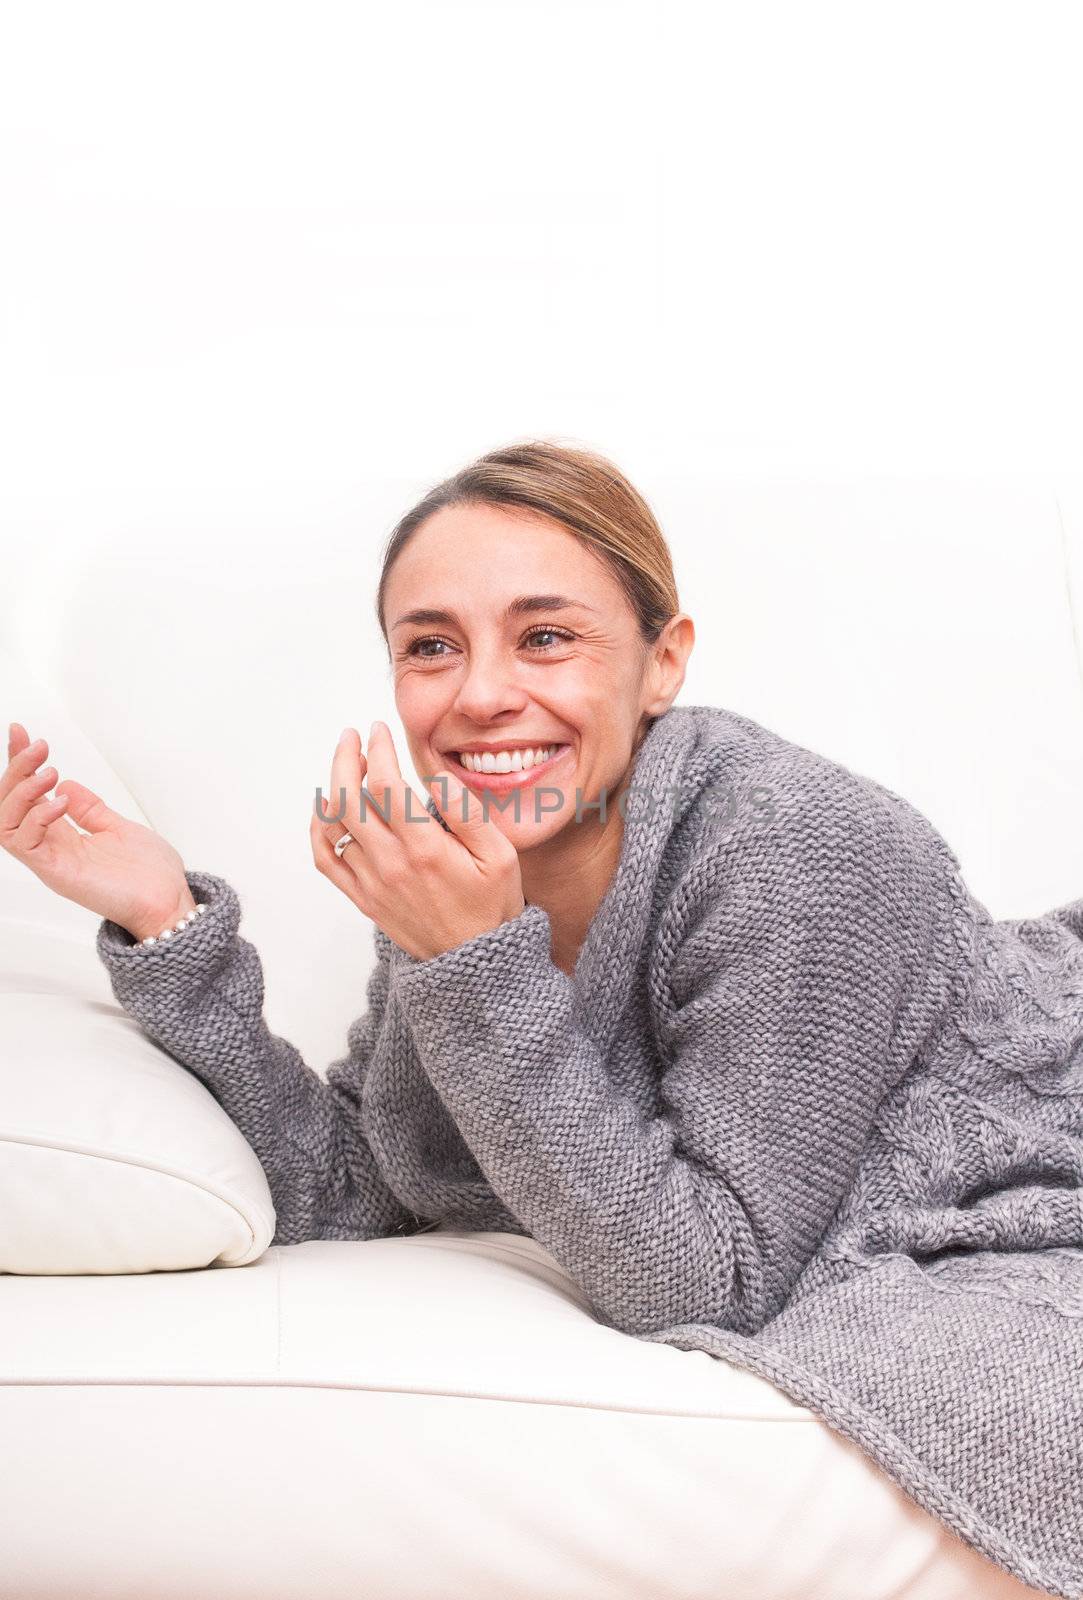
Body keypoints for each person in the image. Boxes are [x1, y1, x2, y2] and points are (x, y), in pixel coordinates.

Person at [2, 439, 1081, 1597]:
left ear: (662, 664)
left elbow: (707, 1279)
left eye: (547, 636)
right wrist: (167, 920)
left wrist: (469, 958)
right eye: (431, 647)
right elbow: (363, 1185)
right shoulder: (468, 873)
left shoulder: (799, 848)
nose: (479, 694)